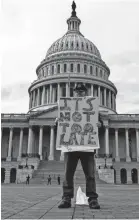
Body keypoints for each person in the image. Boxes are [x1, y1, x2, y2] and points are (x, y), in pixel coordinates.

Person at [58, 83, 100, 209]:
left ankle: (92, 199)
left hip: (87, 146)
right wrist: (58, 122)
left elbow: (101, 121)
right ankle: (66, 198)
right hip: (71, 146)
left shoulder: (92, 108)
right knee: (67, 174)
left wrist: (99, 124)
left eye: (82, 92)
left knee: (90, 174)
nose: (79, 93)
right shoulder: (67, 108)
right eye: (77, 91)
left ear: (85, 93)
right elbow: (63, 126)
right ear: (74, 93)